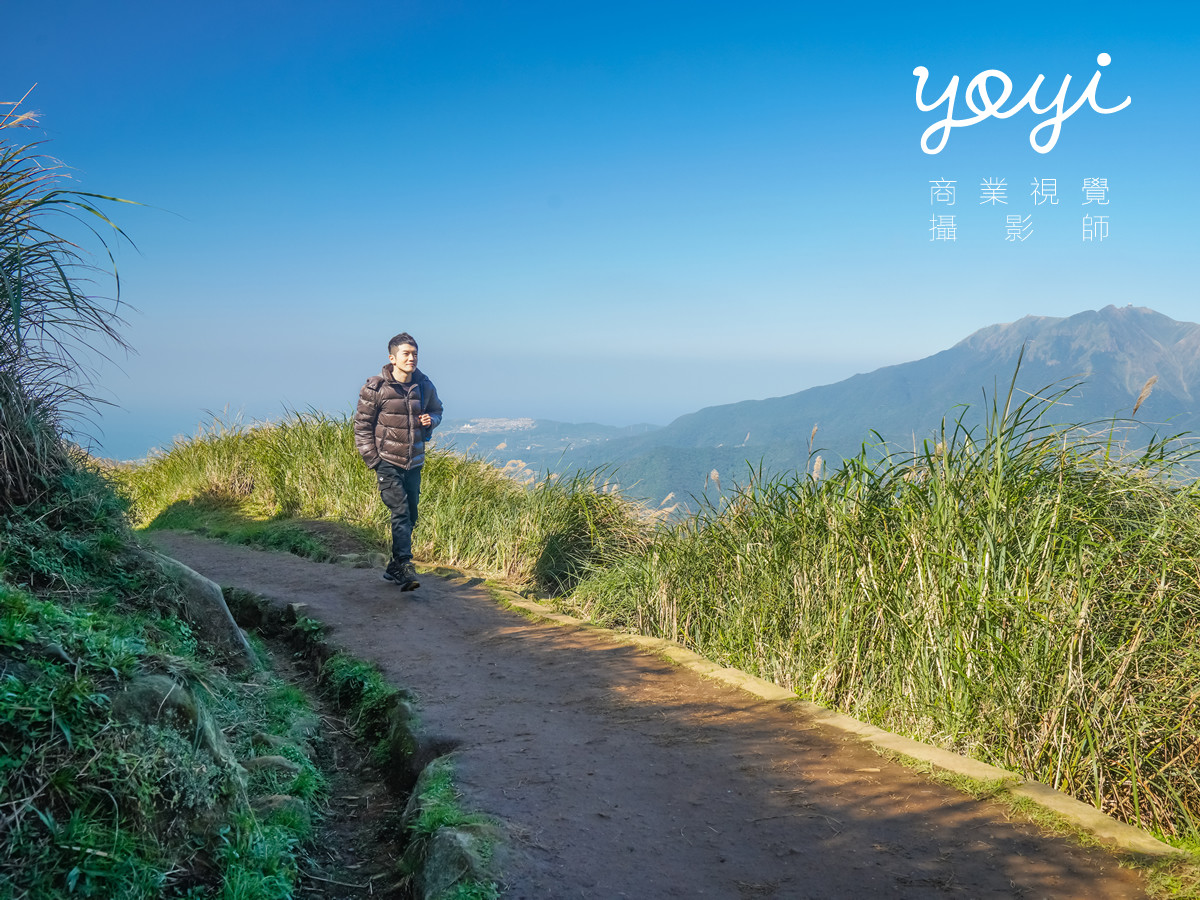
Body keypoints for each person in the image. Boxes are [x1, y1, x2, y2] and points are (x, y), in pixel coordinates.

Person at [354, 332, 443, 590]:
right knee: (401, 511)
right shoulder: (377, 388)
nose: (411, 358)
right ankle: (404, 566)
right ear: (392, 358)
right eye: (406, 353)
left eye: (414, 353)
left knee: (411, 514)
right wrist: (373, 460)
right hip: (387, 462)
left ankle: (394, 566)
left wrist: (431, 421)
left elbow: (437, 410)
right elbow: (362, 426)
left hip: (414, 462)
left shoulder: (424, 385)